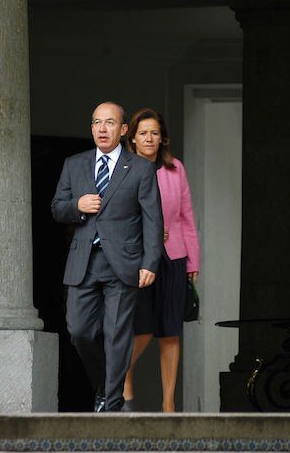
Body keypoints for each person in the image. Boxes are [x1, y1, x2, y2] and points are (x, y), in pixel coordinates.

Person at [51, 101, 164, 412]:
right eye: (96, 122)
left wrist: (150, 262)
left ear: (123, 129)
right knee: (79, 332)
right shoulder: (74, 164)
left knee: (116, 336)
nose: (102, 128)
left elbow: (153, 219)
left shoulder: (140, 168)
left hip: (123, 264)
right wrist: (77, 206)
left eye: (109, 123)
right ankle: (107, 386)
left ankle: (111, 404)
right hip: (83, 262)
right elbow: (57, 208)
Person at [122, 108, 200, 412]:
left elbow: (186, 217)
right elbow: (119, 216)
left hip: (174, 257)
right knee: (143, 327)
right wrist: (150, 231)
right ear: (132, 138)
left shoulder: (175, 168)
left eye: (154, 133)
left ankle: (169, 405)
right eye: (143, 133)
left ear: (162, 137)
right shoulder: (124, 169)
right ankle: (122, 376)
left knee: (170, 332)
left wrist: (193, 262)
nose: (149, 138)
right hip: (139, 258)